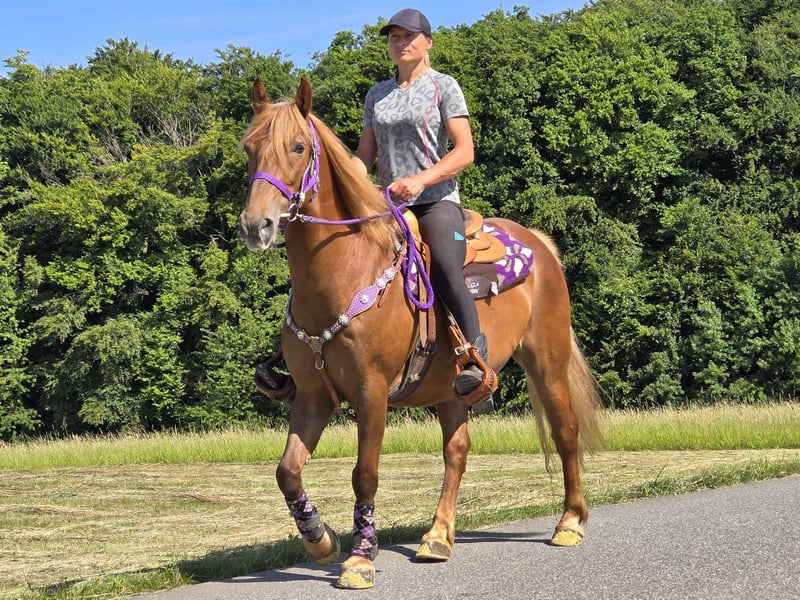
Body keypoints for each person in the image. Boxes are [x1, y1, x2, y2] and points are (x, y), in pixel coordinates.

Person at [354, 8, 494, 400]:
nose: (400, 43)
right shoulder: (376, 94)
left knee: (446, 266)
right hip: (388, 207)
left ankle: (476, 360)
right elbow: (365, 155)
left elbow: (464, 151)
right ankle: (298, 359)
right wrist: (347, 178)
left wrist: (419, 180)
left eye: (408, 36)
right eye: (394, 37)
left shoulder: (443, 86)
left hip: (435, 201)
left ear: (428, 42)